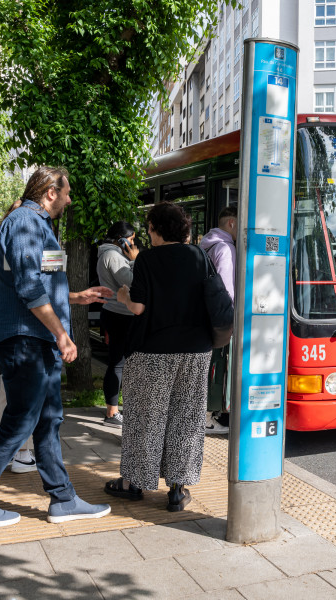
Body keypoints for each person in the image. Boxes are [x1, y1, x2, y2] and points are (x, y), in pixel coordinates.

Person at [0, 166, 114, 528]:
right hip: (27, 340)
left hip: (36, 340)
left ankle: (63, 499)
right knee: (22, 418)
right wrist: (62, 333)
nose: (70, 199)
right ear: (51, 193)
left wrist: (76, 296)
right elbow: (28, 287)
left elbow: (40, 283)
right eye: (67, 192)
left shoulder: (37, 225)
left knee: (47, 420)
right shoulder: (25, 222)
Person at [104, 202, 218, 512]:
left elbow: (138, 307)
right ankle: (178, 490)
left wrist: (122, 294)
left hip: (153, 351)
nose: (148, 235)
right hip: (196, 350)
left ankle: (133, 483)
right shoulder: (200, 256)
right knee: (187, 417)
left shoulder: (148, 260)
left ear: (156, 230)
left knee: (145, 417)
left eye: (150, 229)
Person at [96, 221, 140, 427]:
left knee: (119, 362)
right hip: (119, 314)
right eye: (131, 239)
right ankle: (112, 413)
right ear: (121, 239)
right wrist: (136, 260)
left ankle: (113, 411)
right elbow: (131, 280)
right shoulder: (112, 255)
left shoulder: (111, 254)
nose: (133, 243)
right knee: (118, 363)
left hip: (117, 313)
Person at [199, 206, 237, 435]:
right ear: (231, 223)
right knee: (217, 367)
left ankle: (205, 415)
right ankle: (208, 418)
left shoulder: (206, 243)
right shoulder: (225, 248)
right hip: (218, 318)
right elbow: (227, 290)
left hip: (203, 315)